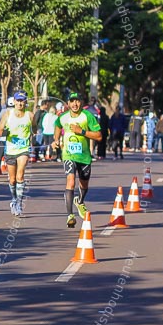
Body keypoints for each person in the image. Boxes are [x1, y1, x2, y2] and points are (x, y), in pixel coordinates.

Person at [52, 92, 102, 228]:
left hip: (84, 156)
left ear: (81, 102)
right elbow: (57, 126)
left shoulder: (88, 116)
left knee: (84, 184)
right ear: (68, 103)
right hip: (68, 155)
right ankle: (70, 215)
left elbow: (99, 136)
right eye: (72, 101)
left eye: (77, 101)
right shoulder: (63, 117)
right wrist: (56, 140)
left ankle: (79, 201)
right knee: (71, 180)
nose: (74, 104)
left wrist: (82, 132)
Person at [0, 91, 32, 215]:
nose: (20, 103)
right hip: (10, 149)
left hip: (23, 149)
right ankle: (14, 199)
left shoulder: (30, 115)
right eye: (18, 101)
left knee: (20, 176)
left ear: (25, 102)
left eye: (22, 101)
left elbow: (35, 129)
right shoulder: (8, 114)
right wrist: (5, 133)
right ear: (14, 102)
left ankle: (19, 203)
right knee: (12, 179)